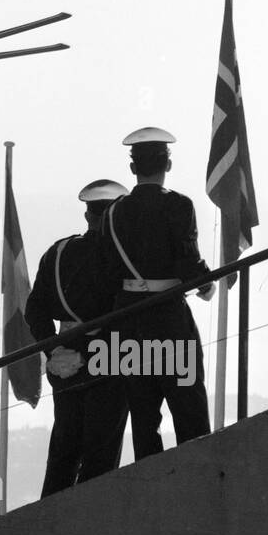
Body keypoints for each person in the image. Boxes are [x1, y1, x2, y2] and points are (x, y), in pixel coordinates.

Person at [96, 128, 216, 461]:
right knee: (188, 407)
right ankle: (196, 475)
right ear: (168, 164)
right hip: (169, 320)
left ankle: (150, 479)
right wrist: (207, 285)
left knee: (143, 413)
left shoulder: (113, 212)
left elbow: (108, 271)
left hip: (129, 322)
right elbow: (188, 260)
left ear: (133, 169)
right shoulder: (179, 205)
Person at [25, 179, 130, 496]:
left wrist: (54, 351)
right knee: (102, 453)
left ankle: (49, 517)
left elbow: (35, 311)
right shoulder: (122, 257)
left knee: (64, 447)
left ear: (88, 215)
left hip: (64, 357)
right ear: (116, 217)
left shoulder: (58, 252)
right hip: (110, 359)